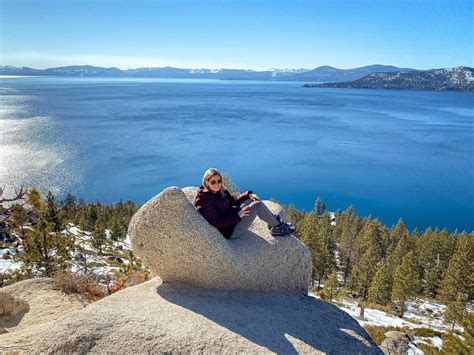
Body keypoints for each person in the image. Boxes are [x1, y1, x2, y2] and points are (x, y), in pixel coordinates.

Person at [194, 168, 295, 239]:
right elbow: (217, 222)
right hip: (230, 230)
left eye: (219, 181)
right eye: (213, 182)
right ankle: (277, 227)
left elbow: (232, 201)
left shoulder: (219, 190)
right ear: (206, 182)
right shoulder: (205, 199)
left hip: (233, 218)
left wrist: (248, 195)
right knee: (257, 205)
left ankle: (273, 222)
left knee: (253, 200)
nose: (217, 184)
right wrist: (238, 215)